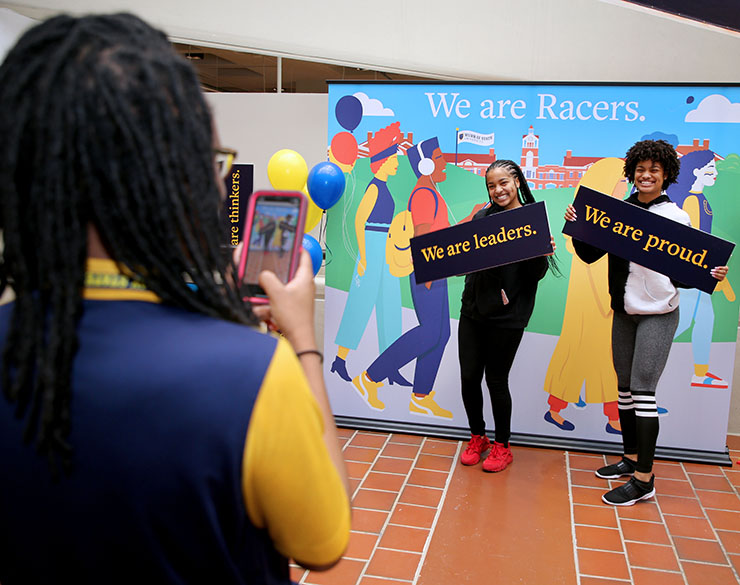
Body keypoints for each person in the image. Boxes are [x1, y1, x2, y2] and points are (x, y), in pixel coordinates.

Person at [0, 13, 350, 584]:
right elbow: (324, 539)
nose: (218, 185)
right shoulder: (253, 375)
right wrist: (304, 344)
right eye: (210, 162)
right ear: (168, 179)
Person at [564, 139, 729, 505]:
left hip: (659, 314)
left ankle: (644, 480)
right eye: (640, 169)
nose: (646, 175)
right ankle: (631, 458)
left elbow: (686, 277)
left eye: (654, 169)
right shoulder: (618, 211)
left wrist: (711, 273)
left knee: (642, 390)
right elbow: (590, 255)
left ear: (666, 174)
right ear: (632, 173)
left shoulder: (677, 218)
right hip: (624, 311)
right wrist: (577, 227)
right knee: (623, 387)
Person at [458, 160, 557, 472]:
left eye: (503, 182)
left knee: (496, 380)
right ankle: (478, 437)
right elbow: (467, 260)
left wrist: (541, 252)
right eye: (491, 185)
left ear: (516, 181)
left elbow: (536, 275)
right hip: (473, 310)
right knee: (469, 377)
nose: (497, 190)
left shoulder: (531, 221)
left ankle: (503, 446)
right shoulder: (481, 217)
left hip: (508, 317)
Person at [352, 137, 453, 418]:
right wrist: (428, 272)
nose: (444, 162)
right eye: (440, 156)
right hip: (428, 272)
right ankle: (370, 377)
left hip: (437, 270)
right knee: (430, 332)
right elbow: (421, 235)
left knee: (441, 334)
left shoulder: (432, 190)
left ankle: (420, 396)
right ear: (427, 163)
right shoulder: (423, 193)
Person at [331, 122, 408, 385]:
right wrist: (364, 257)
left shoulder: (384, 188)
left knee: (390, 305)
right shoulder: (374, 187)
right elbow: (359, 221)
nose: (397, 162)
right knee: (359, 304)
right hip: (372, 249)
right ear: (382, 161)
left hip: (385, 249)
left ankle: (390, 367)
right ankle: (339, 360)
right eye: (394, 158)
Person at [666, 149, 735, 389]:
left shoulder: (701, 198)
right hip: (690, 273)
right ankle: (645, 362)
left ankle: (700, 372)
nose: (715, 173)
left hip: (701, 272)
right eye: (710, 168)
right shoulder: (690, 201)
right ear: (696, 171)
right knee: (683, 322)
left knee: (705, 318)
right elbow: (691, 241)